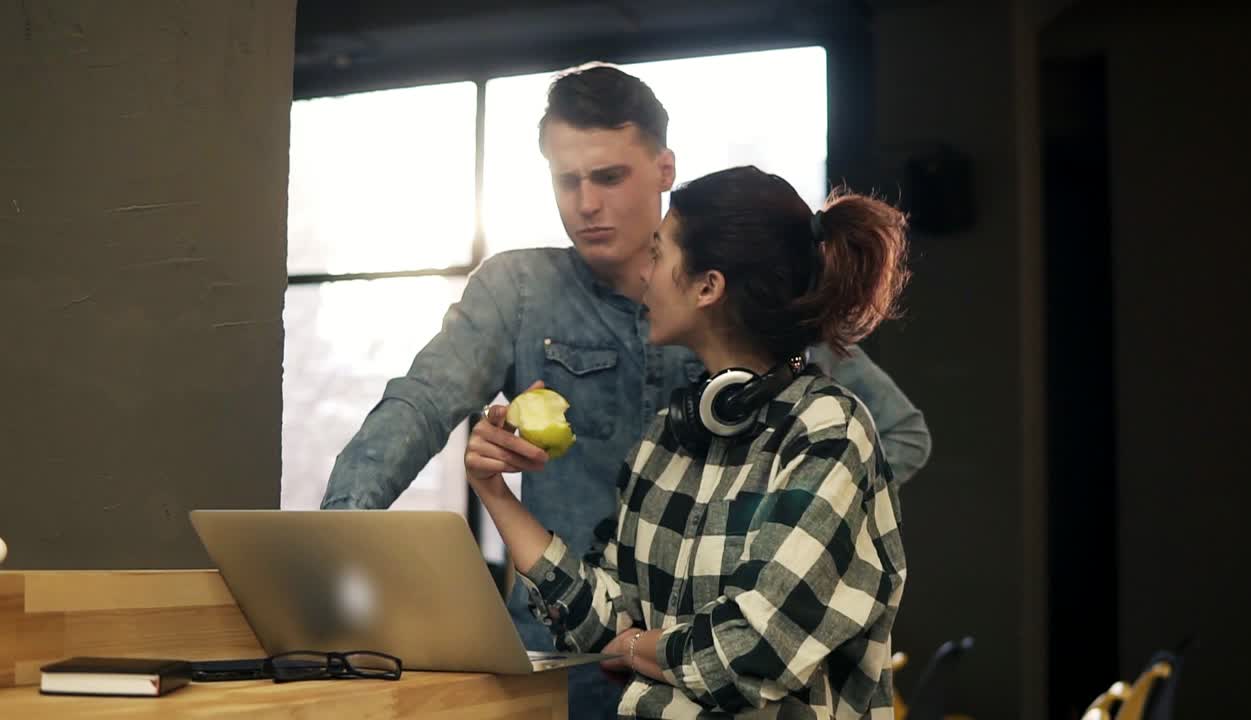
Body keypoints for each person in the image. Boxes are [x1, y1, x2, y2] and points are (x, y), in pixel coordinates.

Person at [320, 64, 928, 718]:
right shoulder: (524, 294)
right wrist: (330, 545)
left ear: (665, 169)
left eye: (609, 177)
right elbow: (420, 402)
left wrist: (799, 520)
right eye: (566, 180)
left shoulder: (804, 392)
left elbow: (893, 440)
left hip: (717, 667)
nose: (585, 204)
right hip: (569, 640)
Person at [466, 165, 909, 718]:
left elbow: (748, 651)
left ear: (707, 286)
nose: (644, 277)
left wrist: (631, 647)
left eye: (658, 254)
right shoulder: (664, 441)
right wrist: (495, 492)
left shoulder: (826, 431)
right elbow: (598, 623)